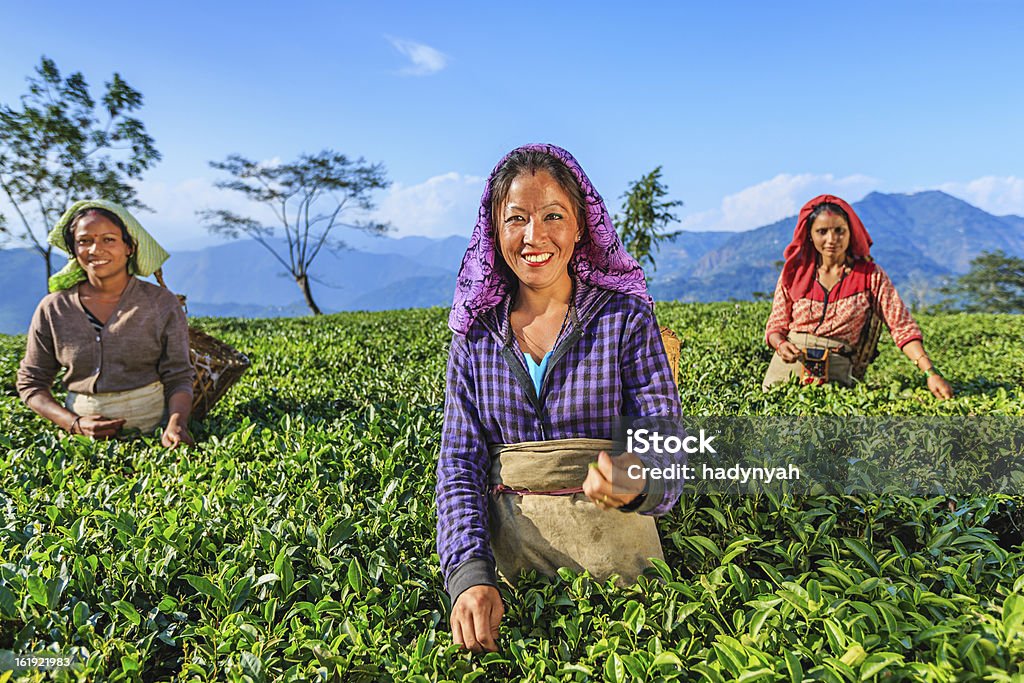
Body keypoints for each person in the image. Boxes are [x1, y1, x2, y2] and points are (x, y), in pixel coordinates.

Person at [437, 144, 684, 653]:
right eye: (517, 219)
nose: (534, 236)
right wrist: (468, 573)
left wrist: (639, 475)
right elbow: (459, 463)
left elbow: (667, 444)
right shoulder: (475, 335)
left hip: (623, 581)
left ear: (580, 227)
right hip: (512, 581)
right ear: (495, 230)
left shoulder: (625, 320)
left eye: (554, 215)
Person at [17, 199, 196, 447]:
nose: (95, 249)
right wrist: (74, 424)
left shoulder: (160, 303)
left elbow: (179, 375)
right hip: (81, 439)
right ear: (73, 249)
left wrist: (176, 424)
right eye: (84, 241)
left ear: (129, 247)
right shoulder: (54, 308)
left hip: (153, 430)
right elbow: (31, 384)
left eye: (109, 239)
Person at [763, 194, 953, 399]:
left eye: (839, 231)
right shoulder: (795, 272)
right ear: (810, 235)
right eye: (822, 232)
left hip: (835, 373)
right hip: (786, 370)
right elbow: (776, 326)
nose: (831, 239)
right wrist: (781, 345)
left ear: (850, 233)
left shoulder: (870, 276)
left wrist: (930, 372)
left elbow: (901, 327)